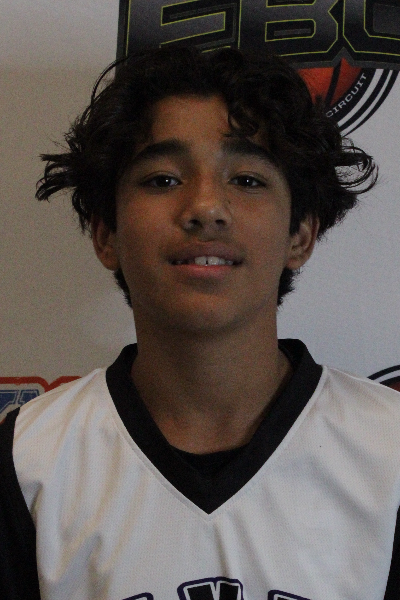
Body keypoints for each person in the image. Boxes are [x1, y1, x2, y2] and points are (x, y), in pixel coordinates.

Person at [0, 46, 399, 600]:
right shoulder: (28, 461)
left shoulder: (389, 452)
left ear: (300, 235)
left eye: (248, 180)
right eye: (163, 180)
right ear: (106, 234)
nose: (206, 207)